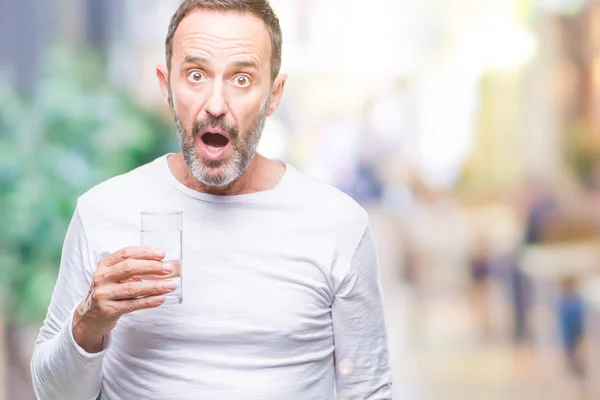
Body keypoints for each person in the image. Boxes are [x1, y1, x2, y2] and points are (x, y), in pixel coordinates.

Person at [30, 1, 393, 399]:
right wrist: (88, 321)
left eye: (241, 79)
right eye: (196, 75)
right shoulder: (104, 211)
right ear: (166, 86)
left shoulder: (338, 225)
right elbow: (53, 394)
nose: (216, 105)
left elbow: (368, 389)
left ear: (274, 95)